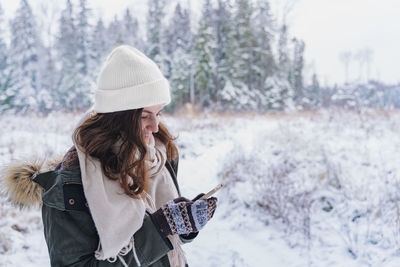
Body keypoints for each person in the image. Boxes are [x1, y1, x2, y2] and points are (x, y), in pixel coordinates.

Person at [2, 45, 218, 267]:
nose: (155, 127)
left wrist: (184, 223)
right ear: (118, 117)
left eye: (158, 114)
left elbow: (163, 244)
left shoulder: (159, 157)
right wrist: (160, 227)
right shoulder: (71, 185)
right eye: (145, 116)